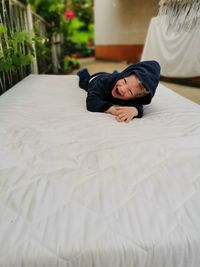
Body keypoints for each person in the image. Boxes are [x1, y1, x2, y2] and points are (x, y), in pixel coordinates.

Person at [77, 60, 160, 123]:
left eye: (130, 91)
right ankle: (83, 73)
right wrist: (112, 109)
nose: (122, 89)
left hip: (115, 77)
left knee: (116, 77)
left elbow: (139, 106)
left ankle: (116, 74)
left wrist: (134, 111)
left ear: (135, 97)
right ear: (124, 75)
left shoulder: (135, 97)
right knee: (84, 83)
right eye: (124, 81)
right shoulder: (103, 82)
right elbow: (92, 101)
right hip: (96, 79)